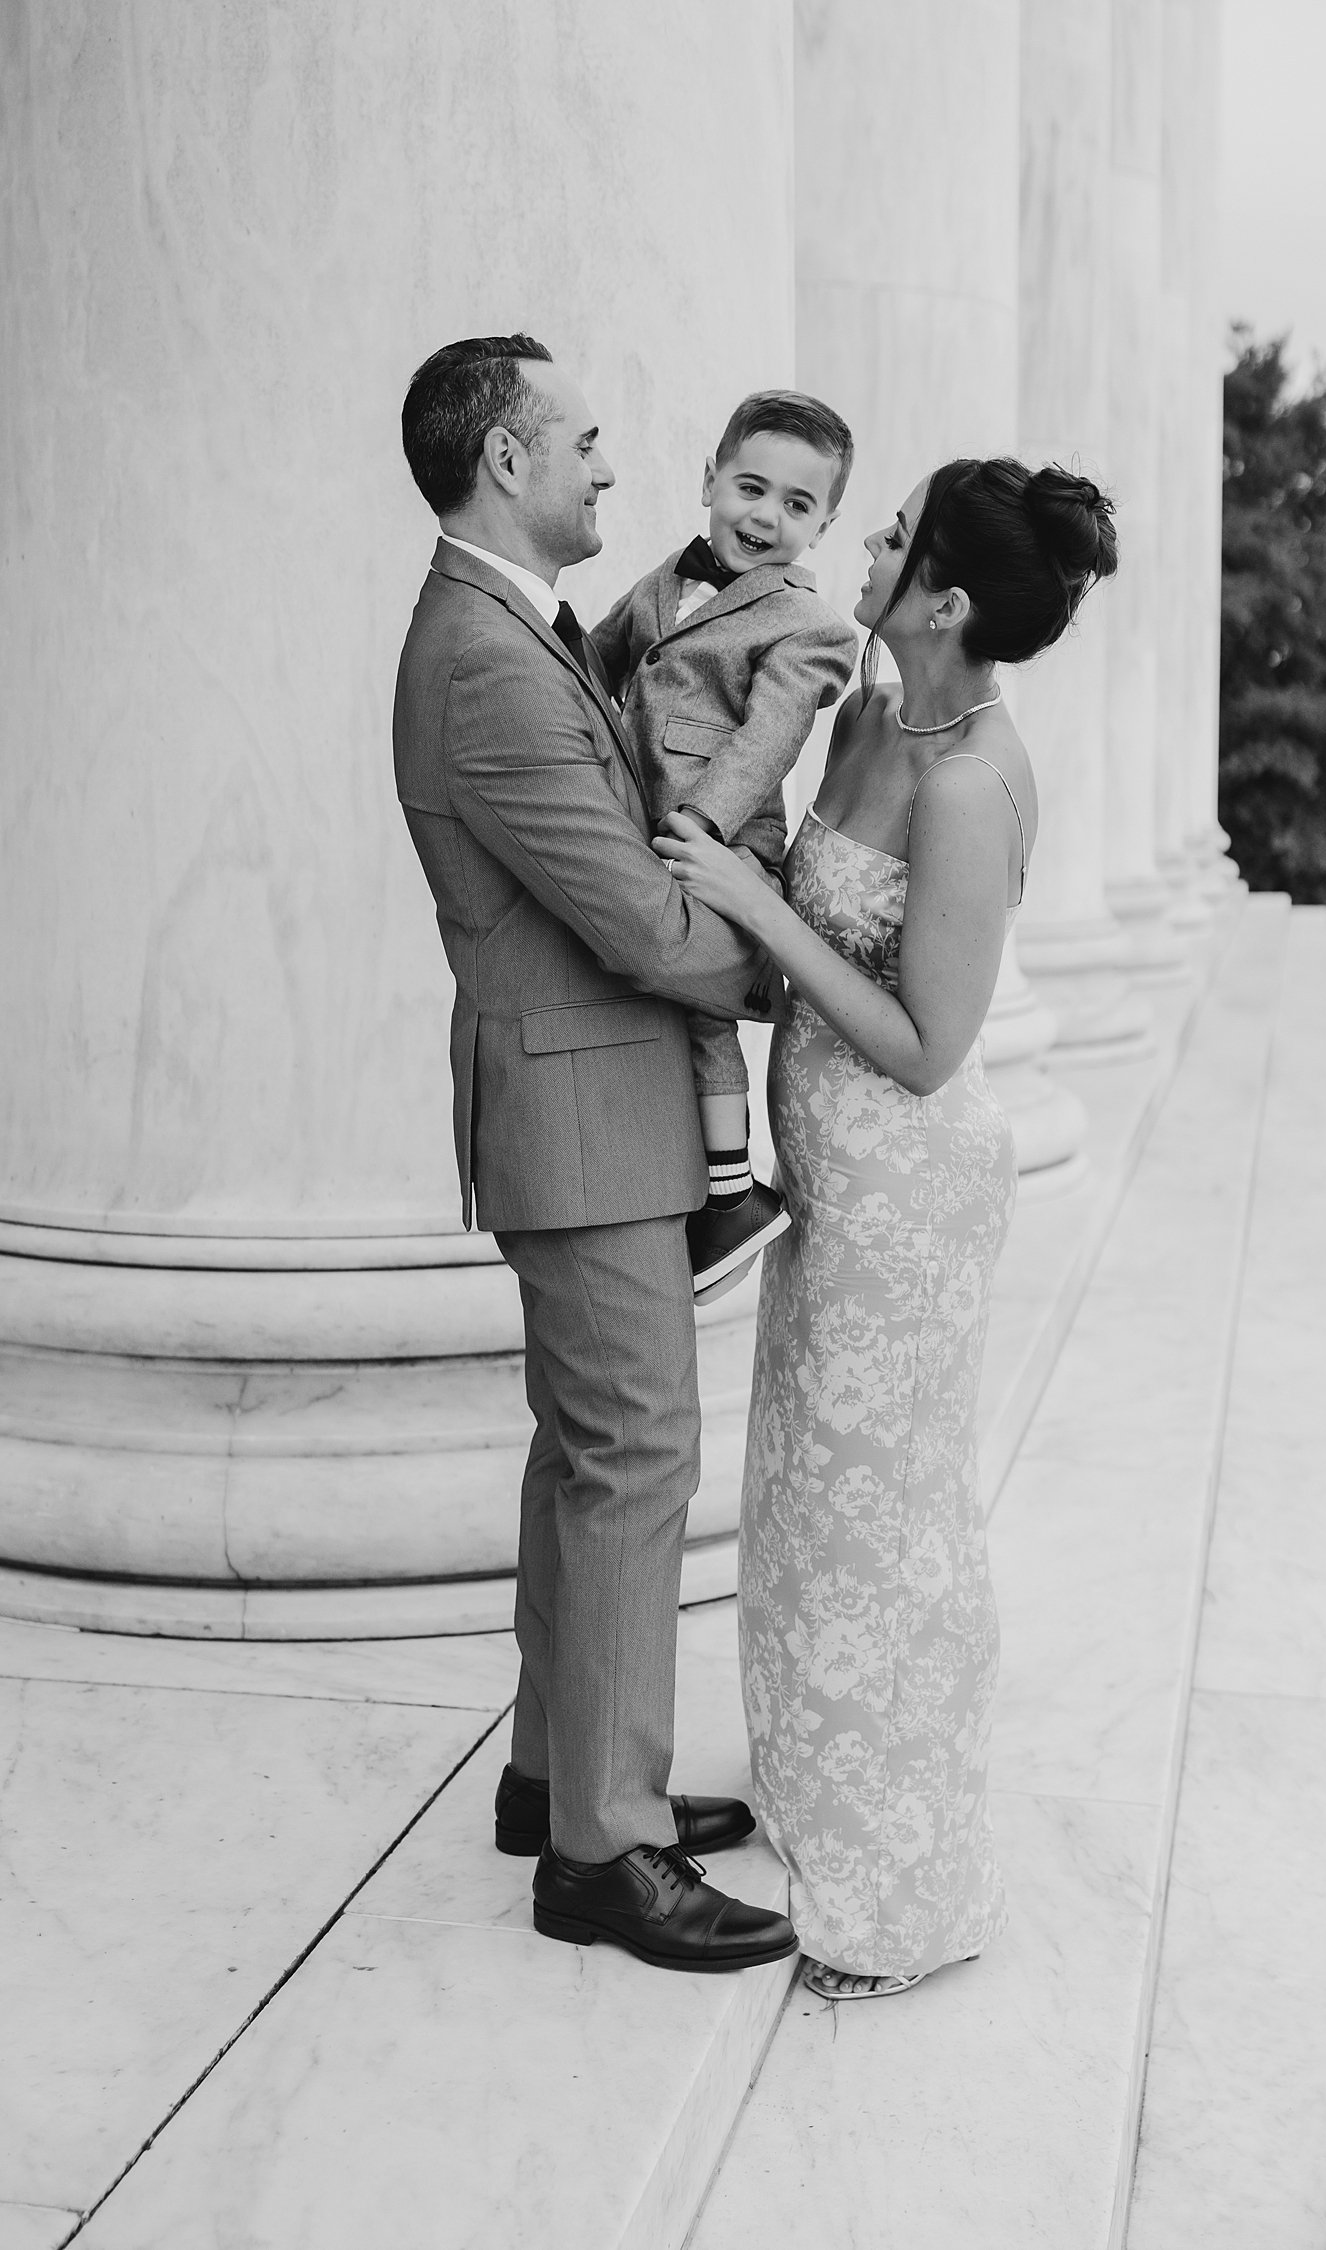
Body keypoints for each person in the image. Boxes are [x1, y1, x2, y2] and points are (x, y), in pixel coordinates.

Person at [653, 458, 1118, 1998]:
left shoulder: (972, 782)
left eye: (895, 533)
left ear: (949, 596)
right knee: (800, 1501)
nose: (865, 546)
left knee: (888, 1529)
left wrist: (761, 908)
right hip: (828, 1188)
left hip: (909, 1200)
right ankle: (811, 1786)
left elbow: (926, 1045)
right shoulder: (865, 709)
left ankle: (908, 1893)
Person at [393, 333, 798, 1976]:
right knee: (636, 1461)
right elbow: (638, 918)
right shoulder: (485, 656)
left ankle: (558, 1777)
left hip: (584, 1103)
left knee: (582, 1458)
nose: (610, 468)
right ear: (508, 458)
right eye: (586, 440)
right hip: (581, 1111)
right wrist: (790, 961)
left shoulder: (516, 624)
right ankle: (607, 1858)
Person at [591, 391, 859, 1300]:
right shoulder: (668, 579)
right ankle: (668, 1165)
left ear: (823, 524)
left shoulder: (810, 625)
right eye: (752, 488)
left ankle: (732, 1192)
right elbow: (600, 660)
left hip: (723, 843)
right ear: (711, 479)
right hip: (635, 820)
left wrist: (703, 823)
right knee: (647, 994)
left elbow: (768, 737)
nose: (766, 517)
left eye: (797, 506)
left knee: (703, 1000)